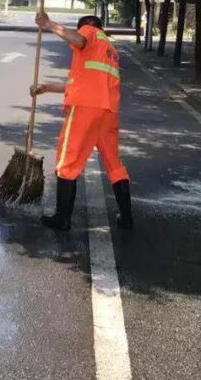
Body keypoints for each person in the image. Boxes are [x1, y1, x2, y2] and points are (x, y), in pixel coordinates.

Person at [30, 13, 133, 231]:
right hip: (108, 113)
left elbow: (78, 39)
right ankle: (126, 216)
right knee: (114, 164)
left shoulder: (89, 32)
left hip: (85, 109)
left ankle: (62, 218)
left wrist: (48, 24)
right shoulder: (110, 50)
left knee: (67, 161)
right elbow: (83, 81)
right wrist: (47, 88)